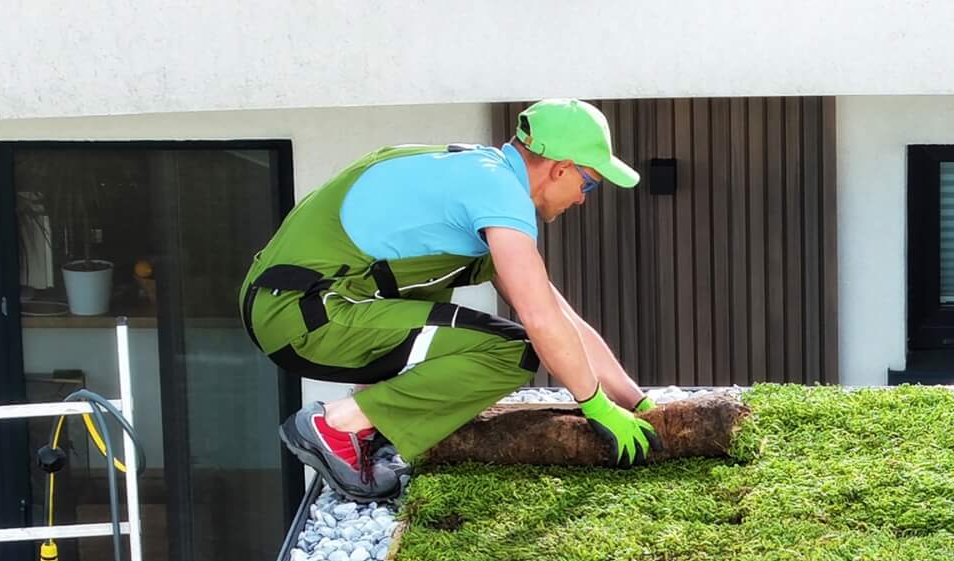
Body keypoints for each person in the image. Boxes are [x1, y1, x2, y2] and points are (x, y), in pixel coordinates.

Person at [240, 99, 658, 500]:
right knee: (511, 353)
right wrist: (595, 406)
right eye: (587, 183)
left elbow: (557, 314)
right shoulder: (498, 194)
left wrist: (635, 401)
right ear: (560, 168)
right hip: (305, 314)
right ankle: (339, 425)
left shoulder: (471, 173)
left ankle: (372, 425)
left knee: (472, 299)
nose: (583, 197)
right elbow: (541, 324)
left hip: (295, 305)